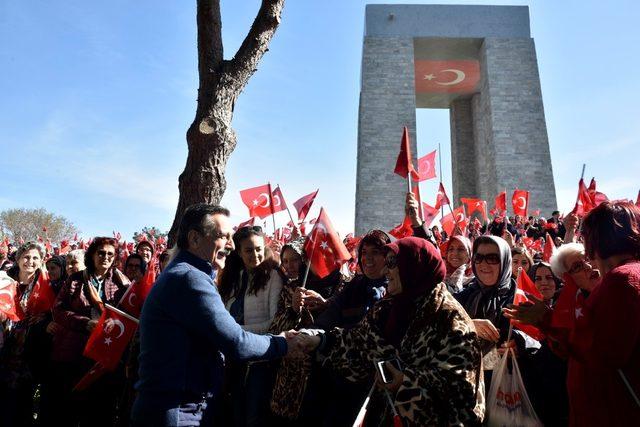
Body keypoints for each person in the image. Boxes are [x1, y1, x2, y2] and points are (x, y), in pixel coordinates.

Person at [131, 204, 298, 427]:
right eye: (223, 236)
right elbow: (236, 342)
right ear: (195, 238)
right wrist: (283, 344)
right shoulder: (190, 279)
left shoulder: (186, 274)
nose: (230, 245)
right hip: (178, 410)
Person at [299, 237, 484, 425]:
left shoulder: (451, 320)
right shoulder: (387, 307)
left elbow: (463, 393)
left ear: (413, 266)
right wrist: (319, 341)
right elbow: (358, 342)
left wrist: (407, 381)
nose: (385, 270)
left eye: (392, 263)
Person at [506, 201, 640, 425]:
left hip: (613, 411)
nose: (588, 259)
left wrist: (545, 319)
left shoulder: (621, 280)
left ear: (597, 239)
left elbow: (598, 351)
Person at [51, 237, 130, 426]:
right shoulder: (76, 280)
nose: (105, 257)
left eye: (110, 254)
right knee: (71, 408)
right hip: (75, 353)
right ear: (92, 255)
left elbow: (128, 315)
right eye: (101, 253)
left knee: (101, 410)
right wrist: (85, 323)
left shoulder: (121, 283)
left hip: (105, 356)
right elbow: (58, 310)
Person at [217, 225, 284, 426]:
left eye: (258, 248)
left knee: (253, 415)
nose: (255, 254)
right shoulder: (234, 278)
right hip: (233, 358)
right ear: (238, 252)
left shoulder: (273, 276)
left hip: (259, 360)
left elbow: (274, 322)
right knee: (234, 412)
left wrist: (238, 333)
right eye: (248, 250)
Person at [454, 235, 538, 391]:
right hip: (467, 387)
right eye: (478, 258)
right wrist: (468, 324)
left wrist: (519, 343)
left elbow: (540, 338)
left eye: (492, 258)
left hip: (510, 389)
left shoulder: (521, 296)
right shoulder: (463, 296)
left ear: (505, 261)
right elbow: (438, 327)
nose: (484, 264)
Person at [0, 241, 53, 426]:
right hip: (4, 348)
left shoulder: (46, 286)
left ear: (41, 261)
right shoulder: (4, 281)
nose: (30, 261)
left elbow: (53, 314)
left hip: (29, 353)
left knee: (22, 404)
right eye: (26, 257)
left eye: (35, 258)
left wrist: (44, 318)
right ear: (18, 259)